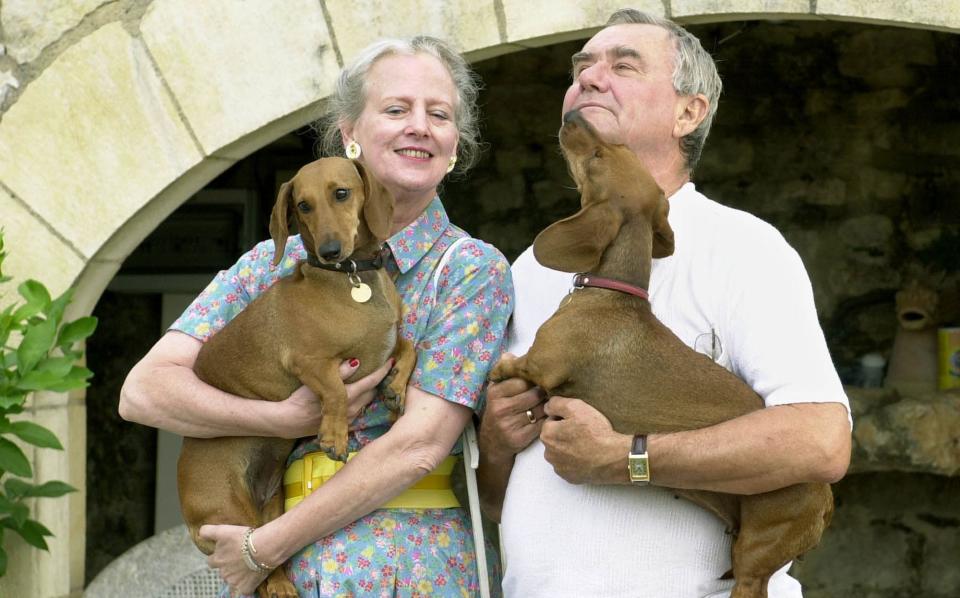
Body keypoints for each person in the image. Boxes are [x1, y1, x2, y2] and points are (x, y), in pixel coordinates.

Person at [120, 35, 513, 597]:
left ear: (454, 146)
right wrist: (280, 422)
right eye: (397, 109)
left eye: (440, 114)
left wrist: (264, 549)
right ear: (350, 135)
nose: (420, 126)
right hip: (286, 568)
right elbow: (142, 393)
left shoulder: (470, 271)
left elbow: (419, 446)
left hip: (411, 571)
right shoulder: (269, 266)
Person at [477, 9, 852, 598]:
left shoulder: (743, 247)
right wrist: (496, 443)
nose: (589, 78)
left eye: (622, 65)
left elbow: (821, 440)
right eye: (581, 68)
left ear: (688, 112)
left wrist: (628, 458)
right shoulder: (529, 268)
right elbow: (496, 503)